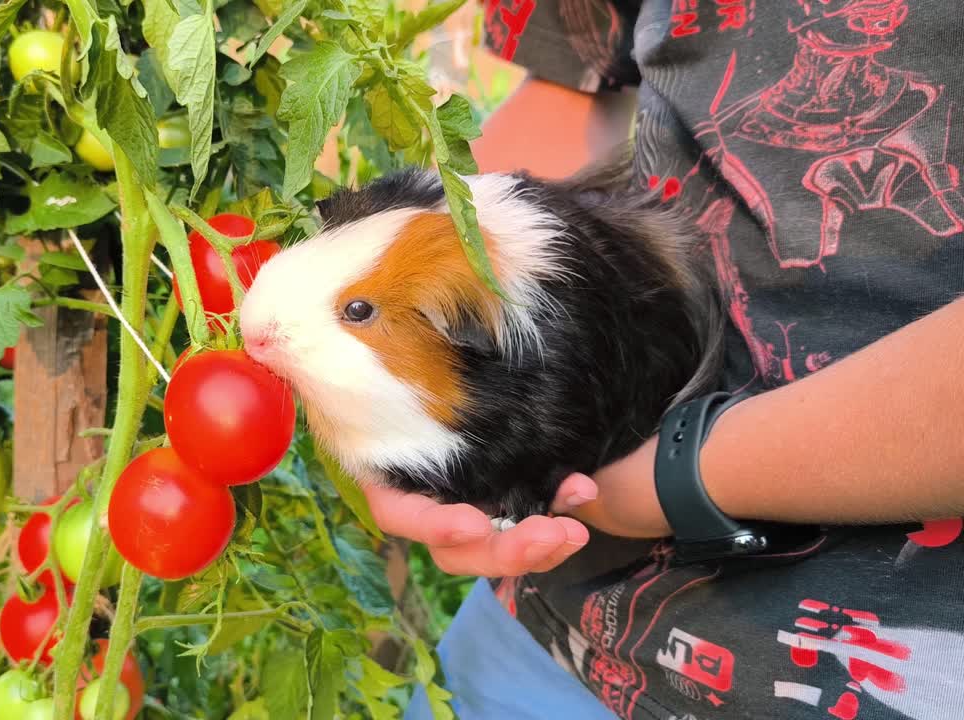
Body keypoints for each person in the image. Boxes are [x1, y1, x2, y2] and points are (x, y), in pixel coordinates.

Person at [394, 2, 964, 719]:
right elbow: (573, 93)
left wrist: (671, 481)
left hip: (869, 682)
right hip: (551, 623)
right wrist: (412, 375)